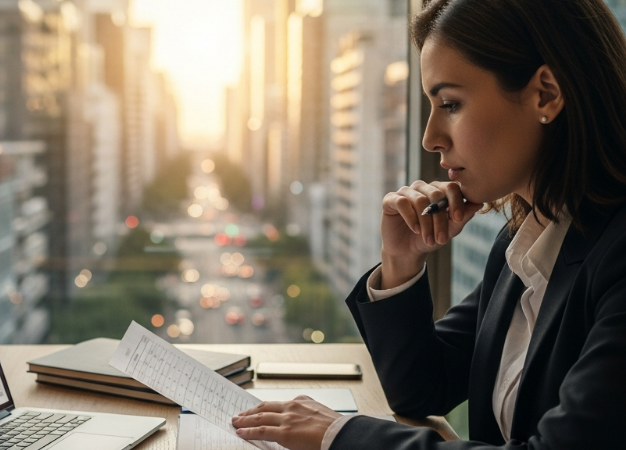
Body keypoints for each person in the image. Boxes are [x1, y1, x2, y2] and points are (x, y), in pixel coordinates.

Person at [232, 0, 626, 448]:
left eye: (451, 104)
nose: (430, 138)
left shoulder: (615, 256)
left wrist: (338, 436)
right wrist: (400, 262)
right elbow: (420, 387)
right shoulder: (525, 243)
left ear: (546, 95)